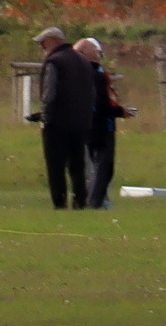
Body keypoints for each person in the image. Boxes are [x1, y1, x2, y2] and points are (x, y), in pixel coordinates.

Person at [34, 25, 102, 209]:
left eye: (43, 43)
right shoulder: (83, 60)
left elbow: (49, 93)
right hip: (81, 122)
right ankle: (80, 202)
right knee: (77, 166)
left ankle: (60, 203)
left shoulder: (54, 62)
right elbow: (91, 93)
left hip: (57, 123)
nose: (42, 47)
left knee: (55, 166)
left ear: (53, 41)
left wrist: (45, 117)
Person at [78, 37, 127, 206]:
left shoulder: (75, 73)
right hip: (101, 125)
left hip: (85, 124)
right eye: (97, 53)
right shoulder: (94, 74)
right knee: (103, 167)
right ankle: (95, 202)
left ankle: (95, 200)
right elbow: (101, 102)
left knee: (93, 166)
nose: (99, 56)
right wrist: (119, 111)